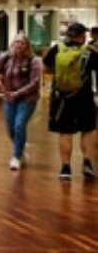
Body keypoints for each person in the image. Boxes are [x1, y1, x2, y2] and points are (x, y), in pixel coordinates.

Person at [42, 22, 98, 180]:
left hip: (62, 97)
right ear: (81, 36)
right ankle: (87, 162)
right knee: (88, 129)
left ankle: (65, 168)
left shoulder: (57, 49)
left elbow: (45, 68)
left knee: (65, 132)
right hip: (84, 96)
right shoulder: (89, 52)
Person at [0, 36, 43, 171]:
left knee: (19, 124)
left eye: (22, 43)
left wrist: (17, 93)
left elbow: (35, 83)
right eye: (17, 42)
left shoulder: (33, 61)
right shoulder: (6, 58)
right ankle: (20, 149)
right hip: (9, 98)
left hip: (27, 99)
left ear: (27, 46)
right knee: (10, 128)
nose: (19, 45)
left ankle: (16, 156)